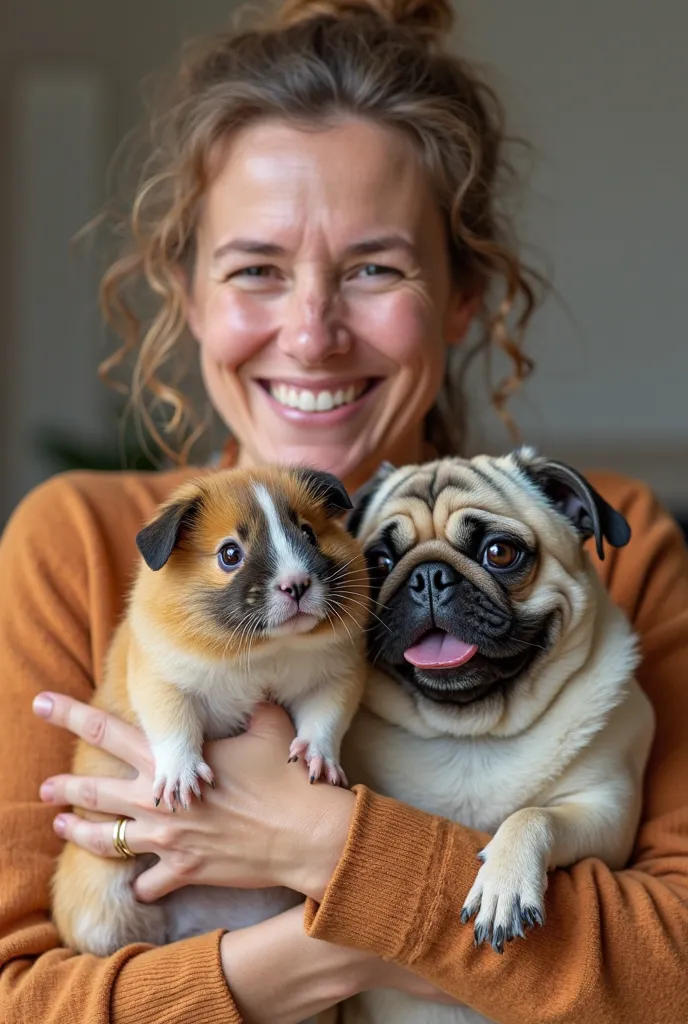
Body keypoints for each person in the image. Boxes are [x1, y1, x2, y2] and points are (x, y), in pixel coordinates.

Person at [1, 0, 687, 1021]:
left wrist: (313, 845)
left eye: (373, 267)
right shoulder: (90, 548)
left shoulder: (596, 545)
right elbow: (24, 996)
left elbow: (668, 967)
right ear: (187, 295)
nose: (313, 334)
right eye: (256, 271)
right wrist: (380, 941)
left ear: (461, 295)